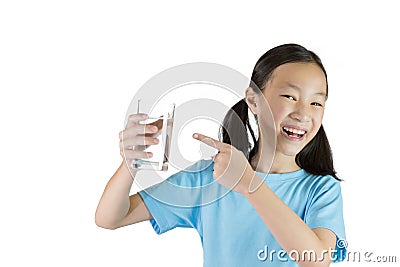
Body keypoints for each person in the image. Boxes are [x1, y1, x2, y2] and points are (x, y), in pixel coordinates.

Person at [95, 44, 347, 266]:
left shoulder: (321, 188)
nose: (303, 113)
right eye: (289, 97)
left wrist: (249, 184)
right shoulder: (210, 176)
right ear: (253, 100)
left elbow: (316, 259)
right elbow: (110, 217)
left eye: (316, 103)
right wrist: (130, 164)